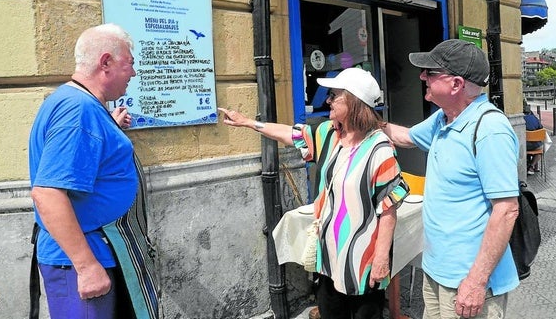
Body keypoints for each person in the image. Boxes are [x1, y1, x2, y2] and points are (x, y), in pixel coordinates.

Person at [219, 67, 409, 319]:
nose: (328, 100)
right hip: (328, 256)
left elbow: (388, 210)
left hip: (363, 260)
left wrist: (382, 259)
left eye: (334, 95)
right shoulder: (328, 134)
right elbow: (290, 134)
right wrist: (247, 123)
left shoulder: (380, 148)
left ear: (353, 102)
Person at [382, 39, 520, 319]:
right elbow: (404, 137)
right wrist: (364, 119)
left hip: (467, 281)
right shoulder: (442, 119)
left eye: (431, 73)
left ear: (456, 84)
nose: (423, 77)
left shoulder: (490, 129)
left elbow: (506, 210)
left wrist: (476, 282)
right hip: (436, 271)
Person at [29, 23, 138, 318]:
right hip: (80, 262)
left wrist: (109, 126)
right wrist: (87, 266)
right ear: (106, 63)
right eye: (130, 63)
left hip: (89, 253)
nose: (134, 73)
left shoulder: (81, 105)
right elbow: (48, 193)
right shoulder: (78, 110)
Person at [523, 103, 543, 175]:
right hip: (535, 146)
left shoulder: (521, 120)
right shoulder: (535, 118)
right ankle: (532, 166)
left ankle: (526, 165)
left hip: (524, 146)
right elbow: (541, 128)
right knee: (541, 149)